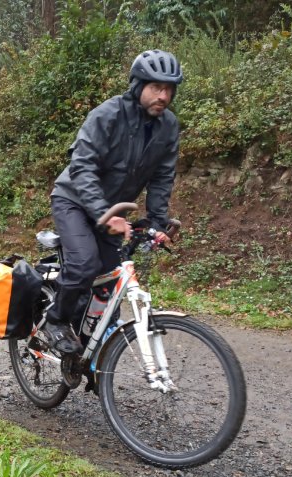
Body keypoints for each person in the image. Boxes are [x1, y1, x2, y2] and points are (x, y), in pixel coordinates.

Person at [41, 49, 183, 355]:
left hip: (113, 211)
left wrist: (157, 224)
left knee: (107, 282)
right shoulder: (108, 114)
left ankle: (83, 345)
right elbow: (82, 166)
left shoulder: (168, 126)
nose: (164, 95)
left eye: (169, 89)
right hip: (75, 200)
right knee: (84, 263)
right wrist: (104, 213)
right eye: (157, 87)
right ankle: (56, 321)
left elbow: (162, 177)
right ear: (139, 84)